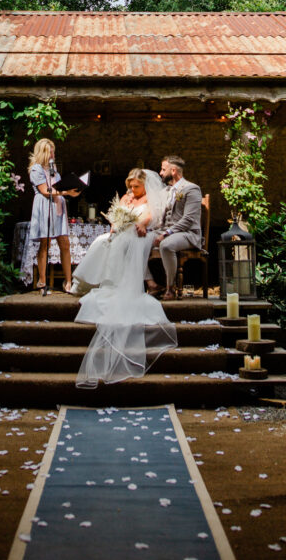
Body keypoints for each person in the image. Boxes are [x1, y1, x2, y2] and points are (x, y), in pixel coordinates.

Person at [75, 168, 176, 387]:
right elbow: (116, 215)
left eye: (136, 186)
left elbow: (149, 217)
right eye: (130, 186)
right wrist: (114, 225)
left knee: (130, 241)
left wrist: (140, 223)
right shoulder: (126, 196)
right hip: (123, 232)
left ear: (144, 185)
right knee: (101, 241)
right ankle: (93, 280)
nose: (132, 190)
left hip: (144, 233)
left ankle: (134, 282)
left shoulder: (150, 198)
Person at [149, 155, 203, 301]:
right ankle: (151, 284)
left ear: (173, 171)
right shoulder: (165, 192)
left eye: (163, 169)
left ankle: (170, 288)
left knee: (167, 245)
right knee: (134, 241)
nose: (160, 173)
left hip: (188, 234)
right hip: (165, 230)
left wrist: (166, 233)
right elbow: (159, 217)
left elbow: (188, 219)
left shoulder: (192, 189)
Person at [28, 138, 78, 293]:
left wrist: (71, 188)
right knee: (45, 244)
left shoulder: (53, 169)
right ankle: (42, 281)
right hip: (44, 206)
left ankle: (68, 281)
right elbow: (45, 190)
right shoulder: (36, 169)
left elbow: (57, 186)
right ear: (43, 152)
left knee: (65, 243)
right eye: (51, 151)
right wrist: (66, 192)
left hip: (57, 205)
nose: (53, 154)